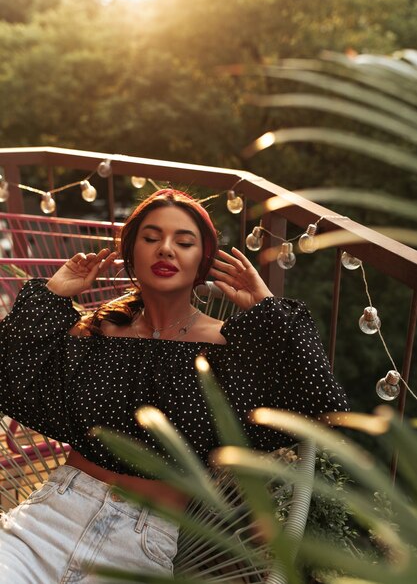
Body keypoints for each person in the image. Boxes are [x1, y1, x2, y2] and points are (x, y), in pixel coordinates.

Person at [0, 188, 349, 583]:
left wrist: (267, 308)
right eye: (151, 238)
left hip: (139, 545)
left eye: (184, 242)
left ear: (202, 259)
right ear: (131, 254)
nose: (166, 249)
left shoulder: (226, 349)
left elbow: (323, 406)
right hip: (49, 519)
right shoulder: (98, 331)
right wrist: (52, 294)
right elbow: (12, 377)